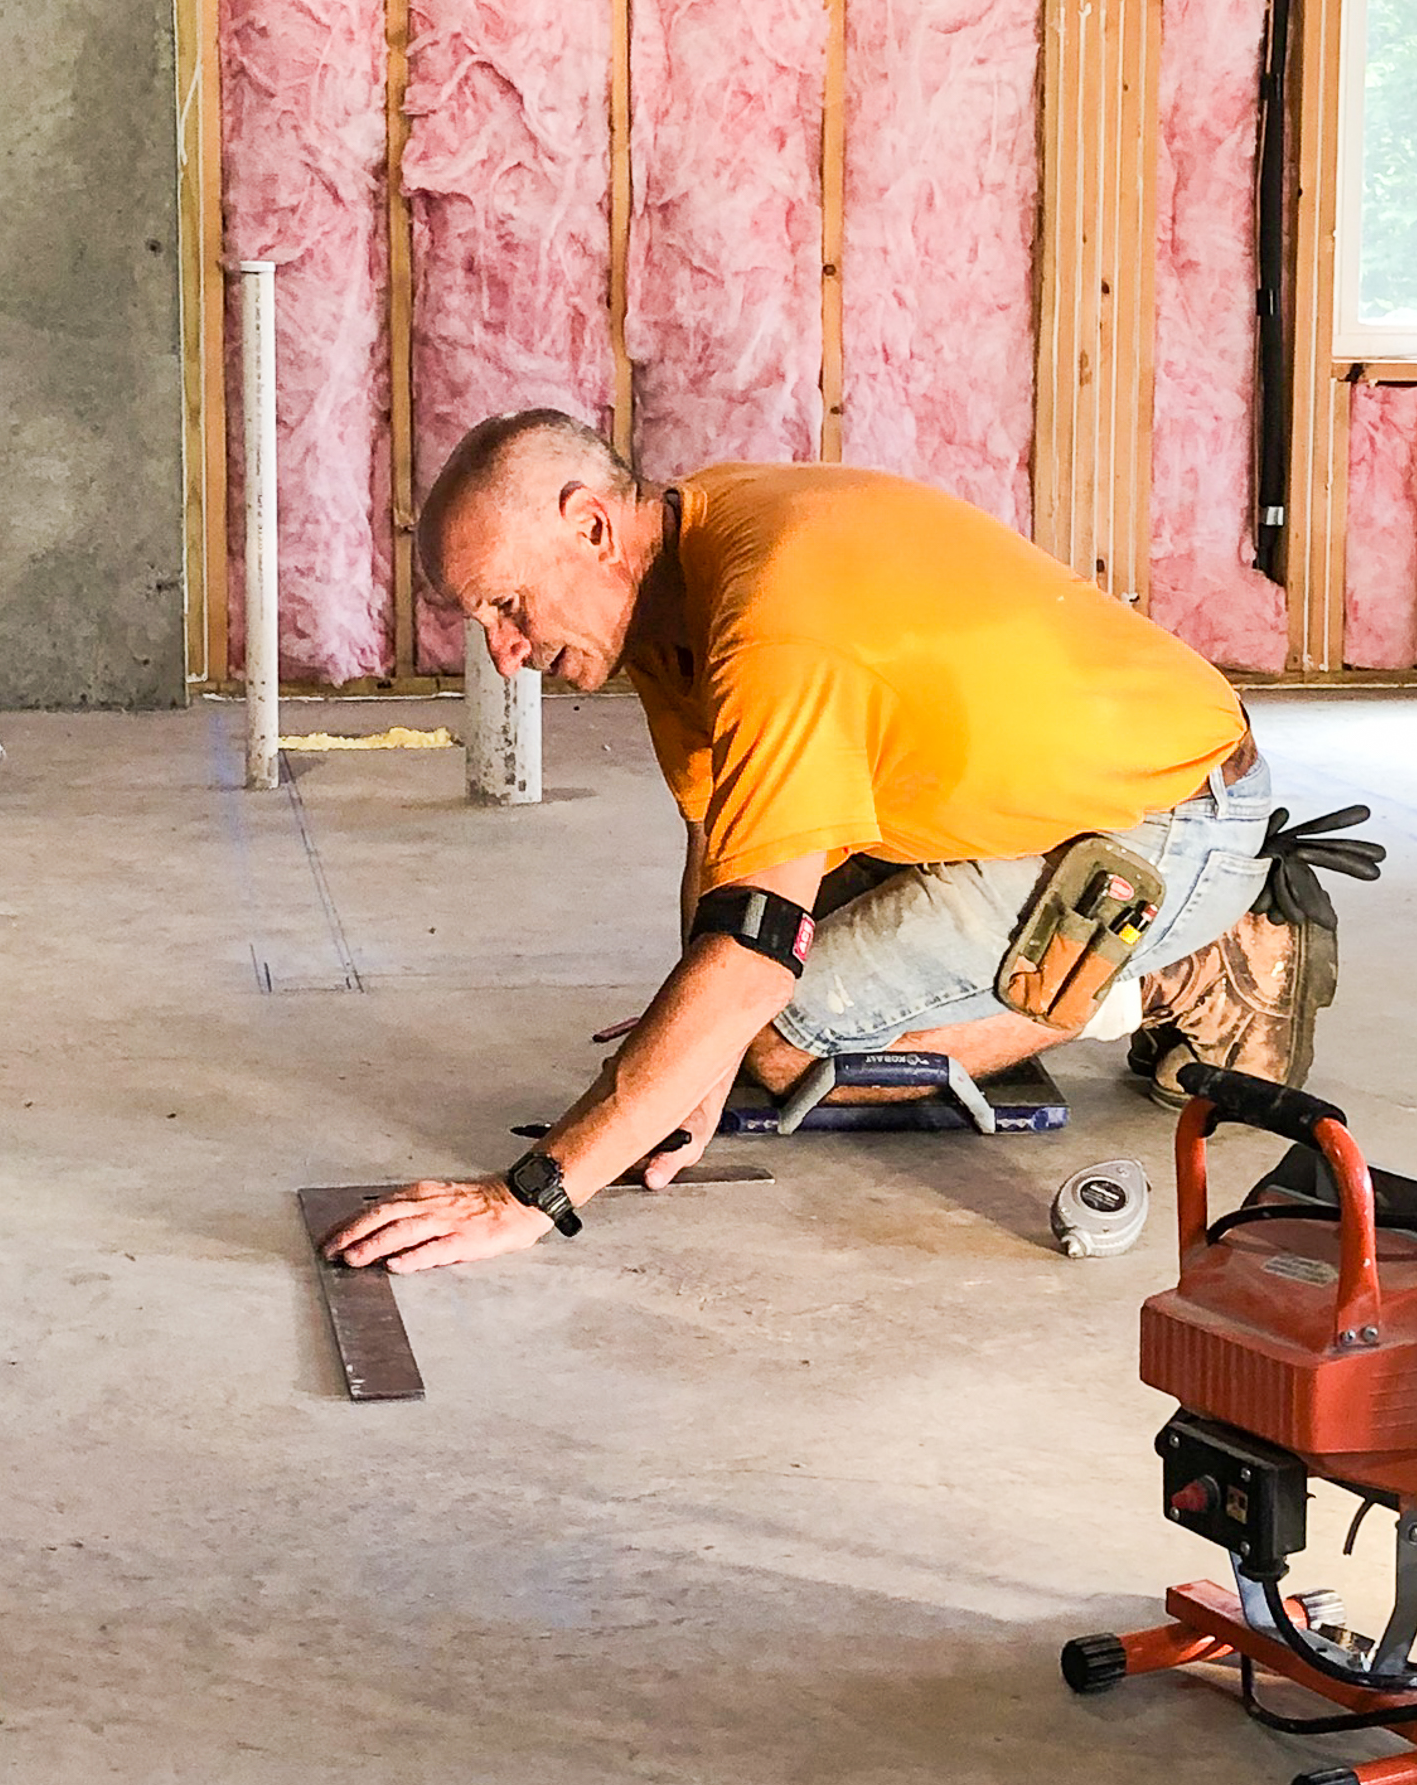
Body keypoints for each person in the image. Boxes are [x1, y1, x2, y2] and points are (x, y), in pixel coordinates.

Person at [326, 411, 1333, 1275]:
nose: (505, 653)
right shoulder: (679, 567)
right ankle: (1126, 950)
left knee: (777, 1035)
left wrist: (531, 1195)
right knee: (718, 1020)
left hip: (1167, 815)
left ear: (591, 526)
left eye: (506, 606)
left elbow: (754, 959)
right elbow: (718, 840)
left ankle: (1178, 969)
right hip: (1043, 794)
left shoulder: (768, 616)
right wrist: (683, 1071)